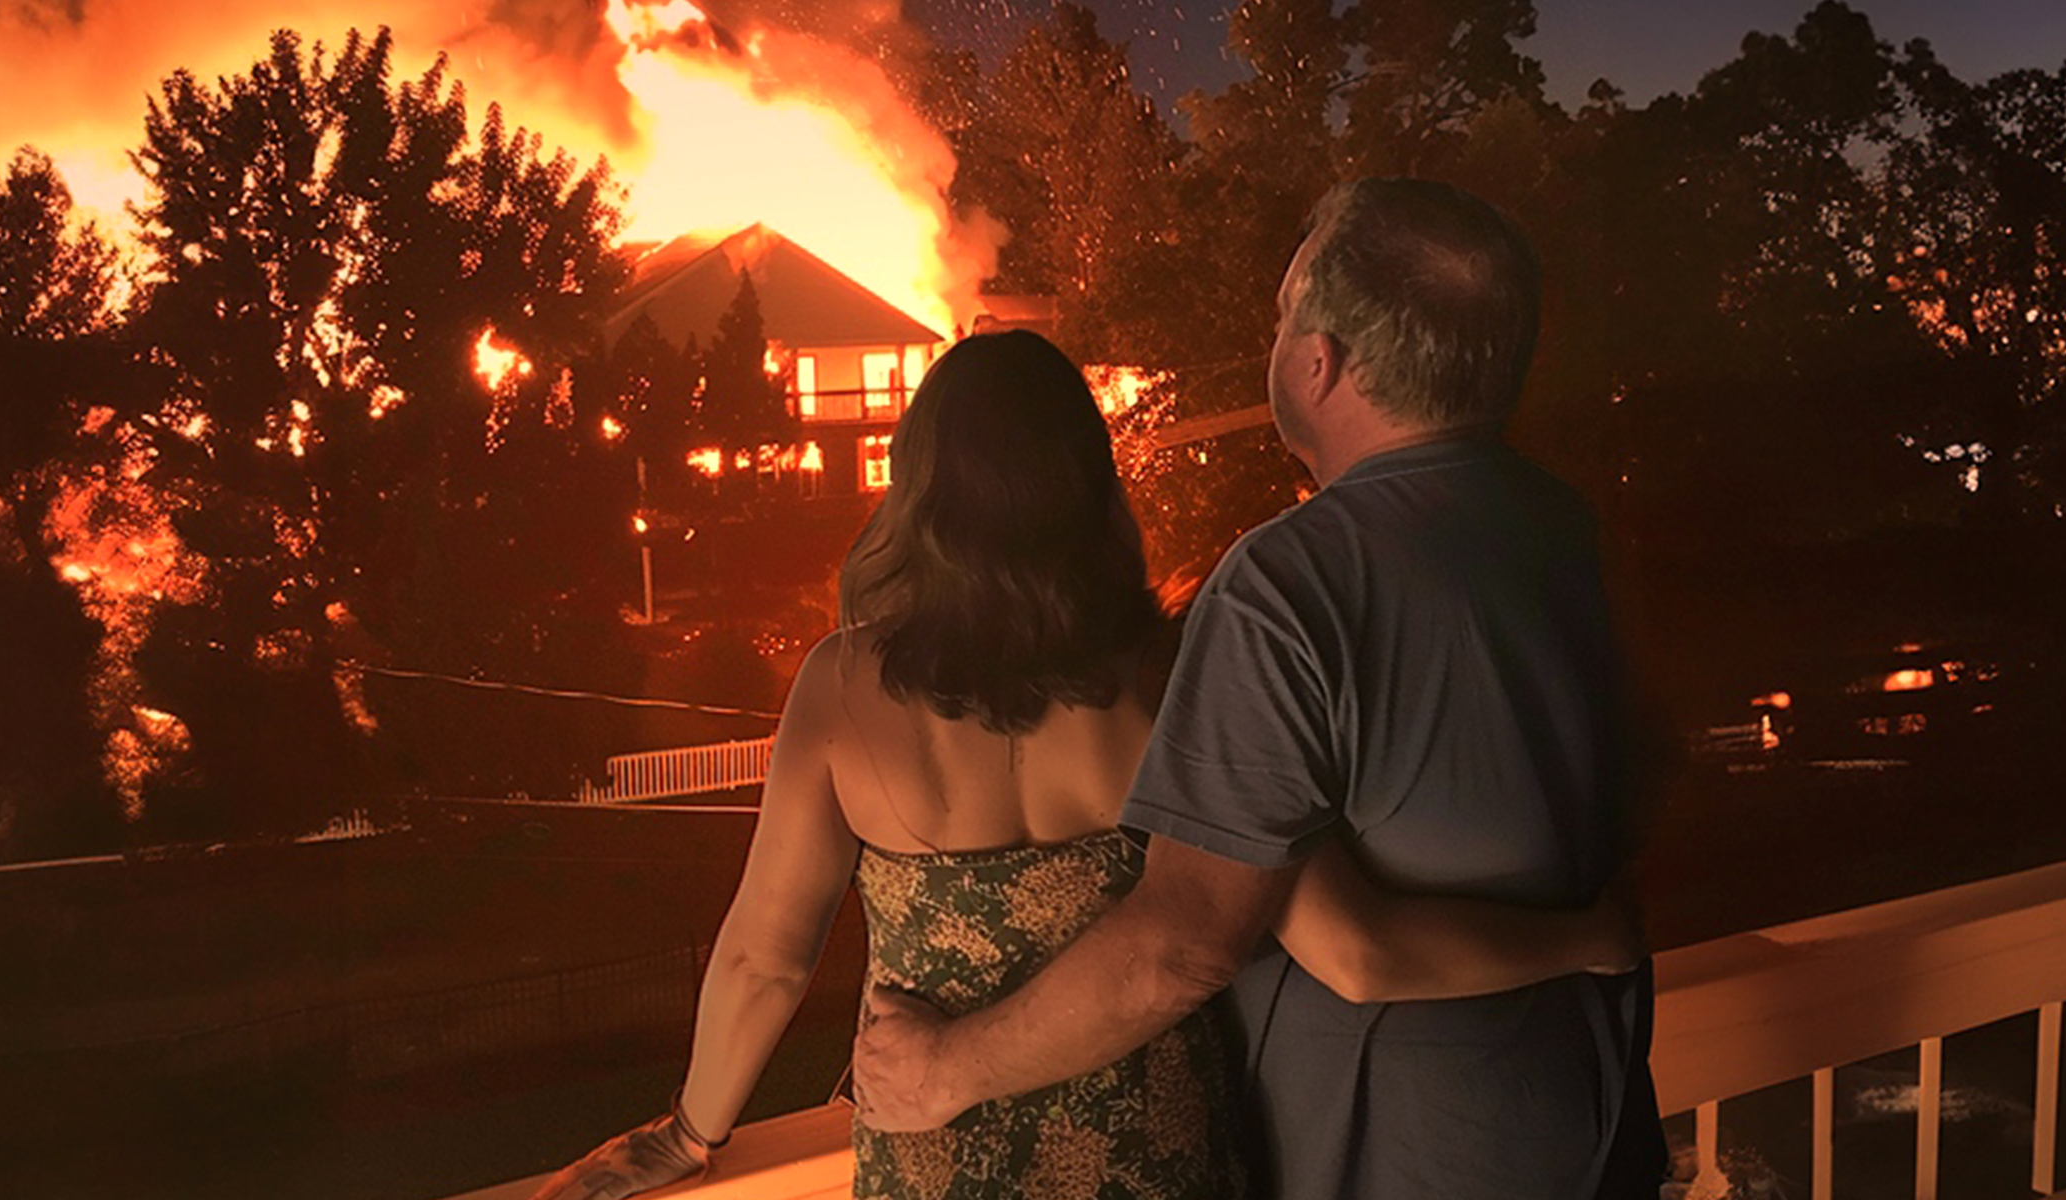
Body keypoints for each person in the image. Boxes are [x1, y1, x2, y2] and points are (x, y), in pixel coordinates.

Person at [531, 330, 1643, 1200]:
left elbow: (764, 960)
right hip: (1160, 1157)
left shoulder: (838, 688)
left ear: (920, 487)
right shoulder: (1179, 673)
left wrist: (690, 1131)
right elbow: (1350, 946)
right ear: (1086, 480)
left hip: (941, 1162)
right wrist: (1581, 937)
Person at [853, 183, 1670, 1198]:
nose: (1273, 339)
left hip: (1403, 1155)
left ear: (1320, 362)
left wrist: (944, 1071)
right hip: (1594, 1121)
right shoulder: (1578, 534)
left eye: (1284, 316)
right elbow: (1642, 795)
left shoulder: (1291, 583)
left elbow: (1184, 947)